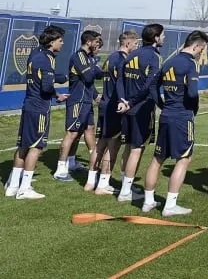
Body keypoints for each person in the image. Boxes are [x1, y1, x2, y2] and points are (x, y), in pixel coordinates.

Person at [140, 30, 208, 216]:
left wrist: (161, 104)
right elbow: (193, 93)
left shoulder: (169, 61)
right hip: (181, 116)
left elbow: (152, 85)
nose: (201, 53)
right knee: (184, 158)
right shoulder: (190, 64)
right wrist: (193, 108)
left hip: (166, 114)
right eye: (202, 49)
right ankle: (170, 206)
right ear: (196, 46)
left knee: (158, 158)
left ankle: (148, 201)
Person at [4, 25, 68, 199]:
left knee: (23, 146)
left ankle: (12, 185)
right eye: (60, 40)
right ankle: (24, 188)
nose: (62, 43)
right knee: (36, 147)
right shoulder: (47, 59)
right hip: (39, 108)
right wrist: (55, 88)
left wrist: (56, 92)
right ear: (52, 42)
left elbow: (41, 80)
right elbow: (46, 86)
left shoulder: (35, 54)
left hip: (28, 104)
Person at [116, 23, 165, 203]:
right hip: (141, 108)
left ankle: (125, 186)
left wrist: (123, 100)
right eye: (162, 35)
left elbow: (120, 80)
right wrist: (132, 102)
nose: (164, 38)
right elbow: (150, 86)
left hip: (127, 107)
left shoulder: (131, 54)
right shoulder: (155, 57)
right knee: (137, 149)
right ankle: (125, 192)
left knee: (129, 147)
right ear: (156, 38)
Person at [89, 31, 138, 194]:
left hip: (104, 104)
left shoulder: (110, 57)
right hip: (114, 106)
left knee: (100, 144)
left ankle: (90, 181)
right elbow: (121, 85)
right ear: (128, 44)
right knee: (113, 145)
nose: (136, 47)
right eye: (135, 44)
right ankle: (103, 184)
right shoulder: (123, 60)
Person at [55, 30, 104, 183]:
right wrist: (95, 64)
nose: (98, 45)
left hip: (87, 100)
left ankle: (81, 161)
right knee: (72, 133)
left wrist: (95, 95)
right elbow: (89, 77)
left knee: (88, 129)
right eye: (96, 41)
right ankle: (60, 169)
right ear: (88, 42)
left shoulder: (88, 57)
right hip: (77, 100)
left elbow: (95, 78)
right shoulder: (79, 56)